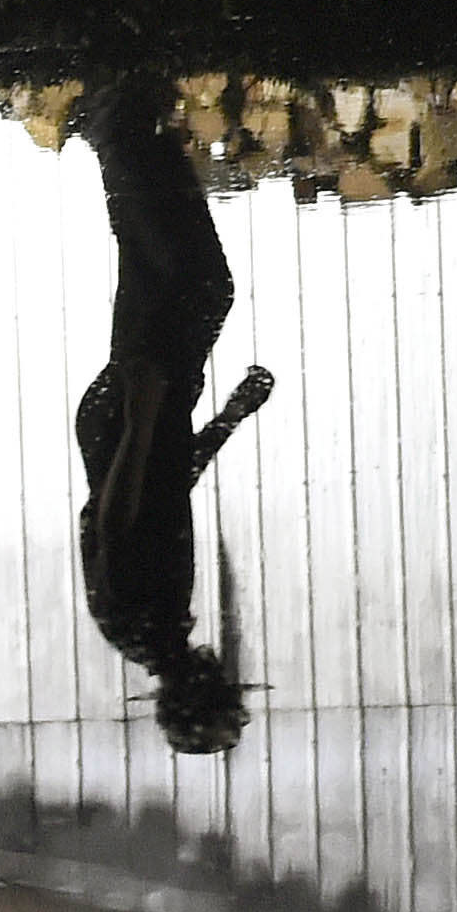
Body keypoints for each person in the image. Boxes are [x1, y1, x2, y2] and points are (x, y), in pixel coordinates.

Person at [64, 78, 275, 751]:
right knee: (176, 277)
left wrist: (144, 412)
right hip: (136, 421)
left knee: (196, 283)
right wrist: (230, 418)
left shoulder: (140, 620)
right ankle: (134, 124)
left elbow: (120, 512)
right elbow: (165, 490)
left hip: (129, 418)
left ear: (199, 687)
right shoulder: (159, 627)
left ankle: (116, 123)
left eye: (224, 688)